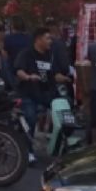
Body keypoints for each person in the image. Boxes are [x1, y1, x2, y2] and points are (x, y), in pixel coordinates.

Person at [14, 27, 71, 163]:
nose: (50, 41)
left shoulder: (50, 55)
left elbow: (55, 74)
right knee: (30, 118)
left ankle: (63, 147)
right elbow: (19, 71)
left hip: (47, 92)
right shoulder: (26, 54)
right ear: (38, 39)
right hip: (29, 93)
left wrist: (65, 78)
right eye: (47, 38)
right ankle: (27, 151)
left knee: (65, 114)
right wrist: (28, 77)